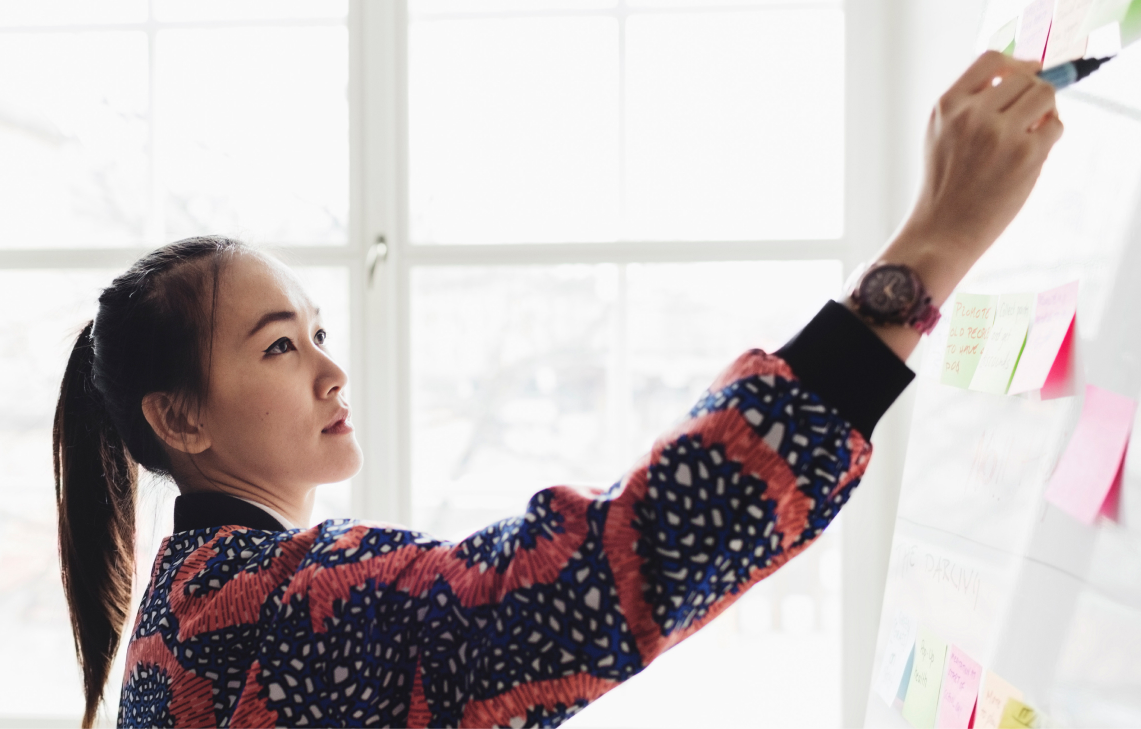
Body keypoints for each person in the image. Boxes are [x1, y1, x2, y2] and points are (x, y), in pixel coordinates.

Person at [53, 51, 1062, 728]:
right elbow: (599, 577)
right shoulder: (279, 604)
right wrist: (926, 257)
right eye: (280, 348)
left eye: (320, 332)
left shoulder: (193, 599)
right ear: (177, 417)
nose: (331, 368)